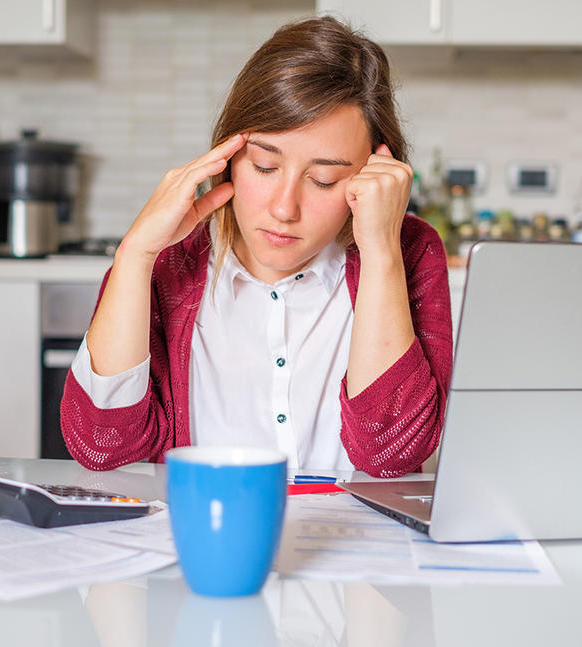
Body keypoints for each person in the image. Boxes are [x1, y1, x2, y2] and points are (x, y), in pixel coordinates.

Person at [61, 16, 452, 477]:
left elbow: (392, 455)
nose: (285, 208)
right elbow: (101, 448)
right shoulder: (166, 261)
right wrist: (134, 256)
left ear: (374, 174)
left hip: (355, 546)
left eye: (324, 179)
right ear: (228, 157)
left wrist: (381, 250)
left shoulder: (408, 252)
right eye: (265, 167)